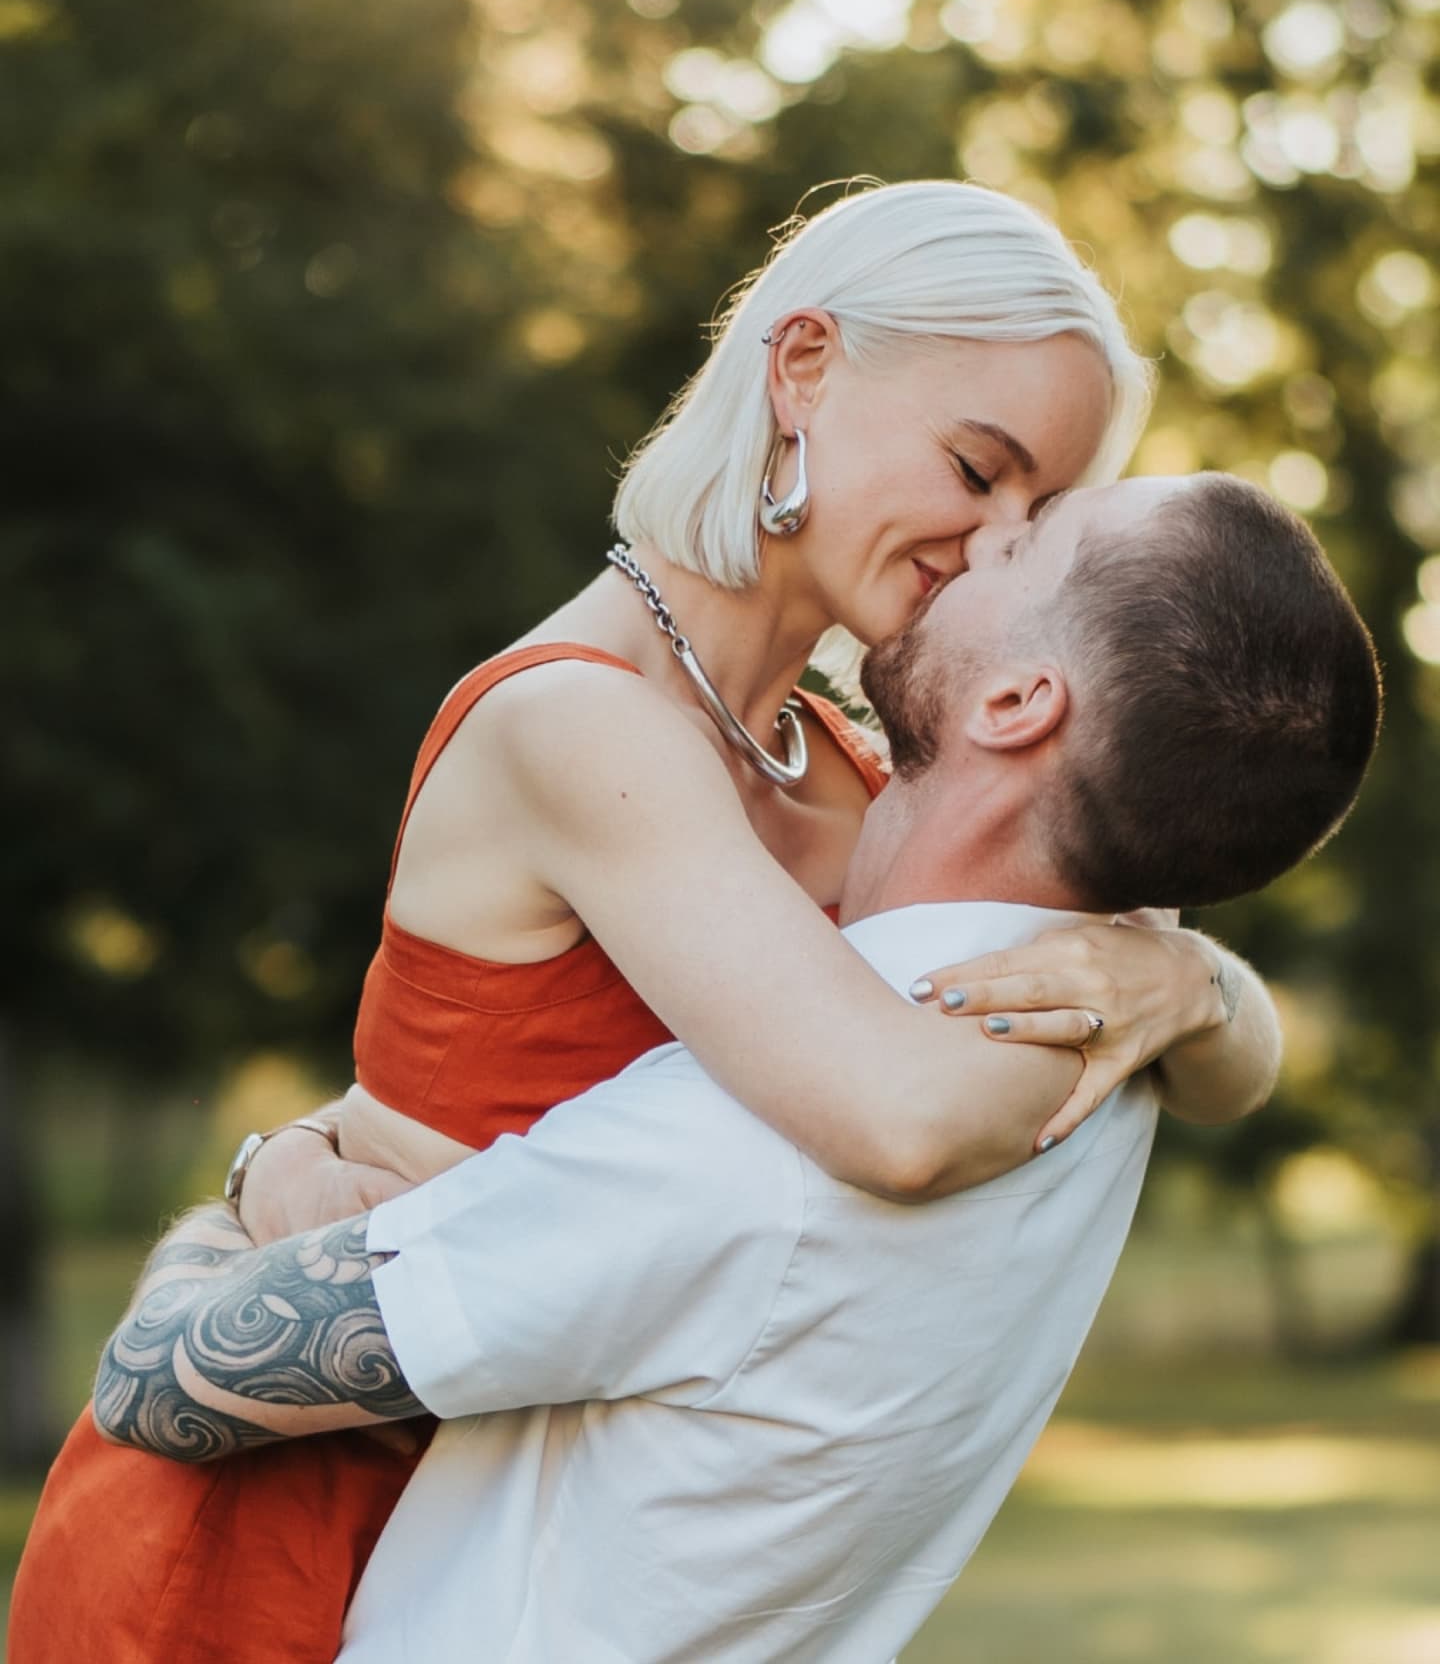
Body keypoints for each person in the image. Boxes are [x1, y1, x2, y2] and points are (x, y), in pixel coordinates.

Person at [11, 182, 1282, 1664]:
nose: (992, 545)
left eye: (1034, 514)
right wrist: (266, 1175)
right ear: (802, 370)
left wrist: (1188, 979)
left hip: (570, 1544)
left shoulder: (866, 774)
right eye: (975, 467)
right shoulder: (583, 726)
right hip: (289, 1521)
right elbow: (891, 1116)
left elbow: (1228, 1077)